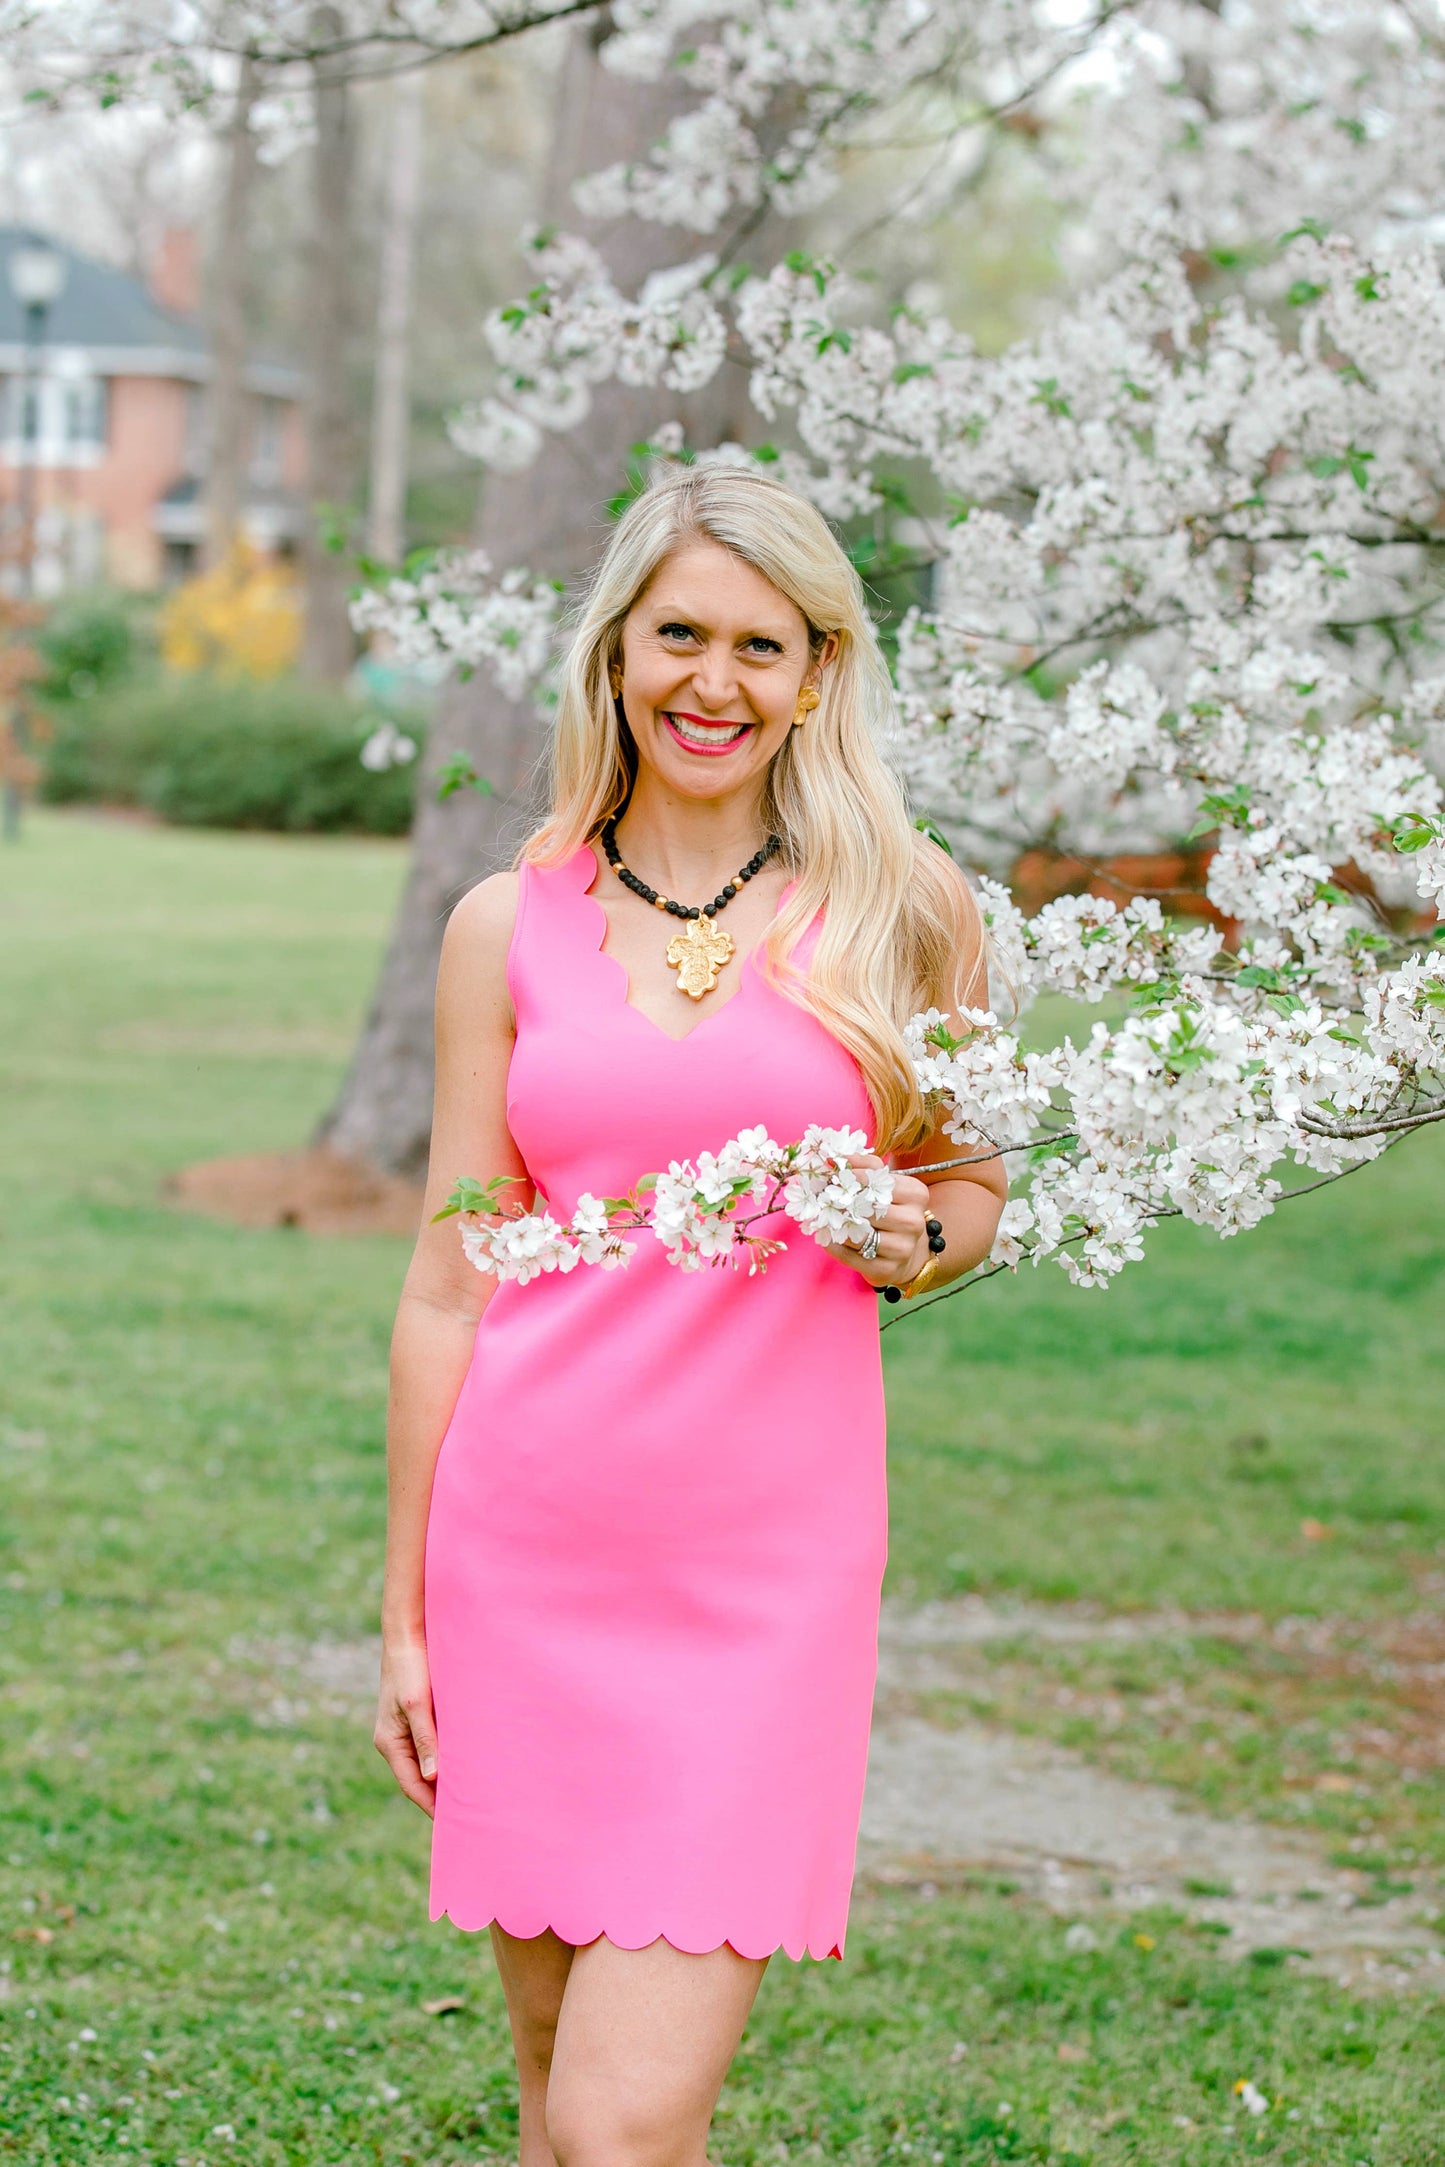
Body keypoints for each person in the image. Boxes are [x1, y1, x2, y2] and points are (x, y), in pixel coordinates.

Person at [373, 464, 1007, 2167]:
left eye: (759, 645)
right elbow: (449, 1276)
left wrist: (912, 1240)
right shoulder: (504, 927)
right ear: (615, 653)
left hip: (758, 1586)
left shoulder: (907, 914)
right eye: (677, 636)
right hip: (524, 1554)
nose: (711, 683)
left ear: (817, 673)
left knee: (622, 2123)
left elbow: (972, 1192)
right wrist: (408, 1616)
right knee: (552, 2096)